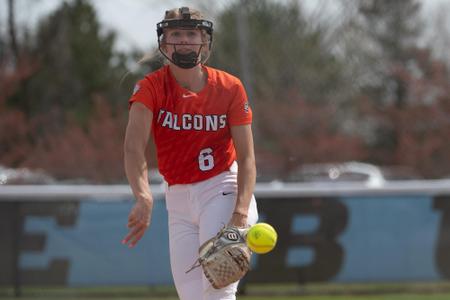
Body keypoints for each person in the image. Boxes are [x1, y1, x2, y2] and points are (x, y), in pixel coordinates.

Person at [122, 6, 258, 300]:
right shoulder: (152, 88)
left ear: (203, 40)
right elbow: (134, 148)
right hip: (178, 199)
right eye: (176, 34)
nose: (184, 40)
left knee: (218, 291)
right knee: (193, 297)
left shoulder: (230, 87)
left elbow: (247, 158)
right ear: (164, 42)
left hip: (222, 189)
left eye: (191, 33)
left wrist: (240, 213)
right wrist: (143, 195)